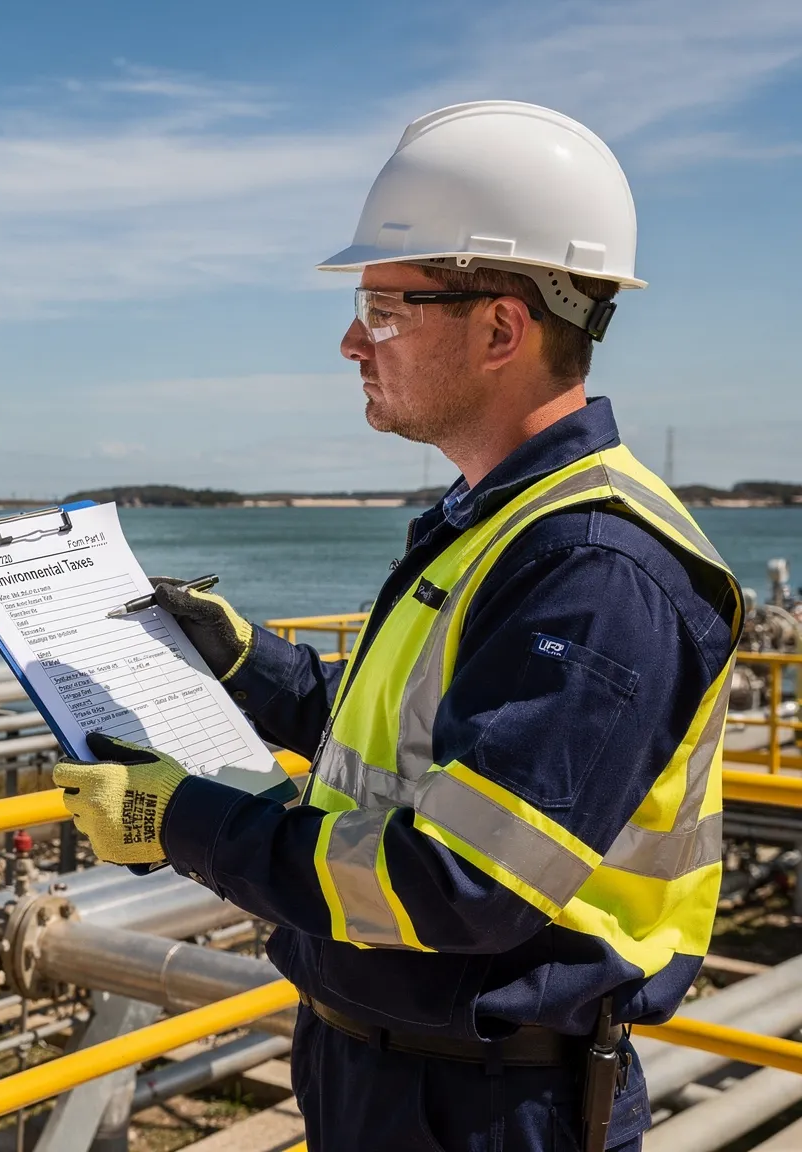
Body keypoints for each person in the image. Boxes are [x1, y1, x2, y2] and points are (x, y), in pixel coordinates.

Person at [54, 101, 740, 1151]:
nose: (347, 342)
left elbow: (459, 883)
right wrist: (251, 666)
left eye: (381, 308)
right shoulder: (502, 526)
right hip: (390, 1073)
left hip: (490, 1106)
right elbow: (433, 750)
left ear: (501, 327)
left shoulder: (594, 571)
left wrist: (173, 818)